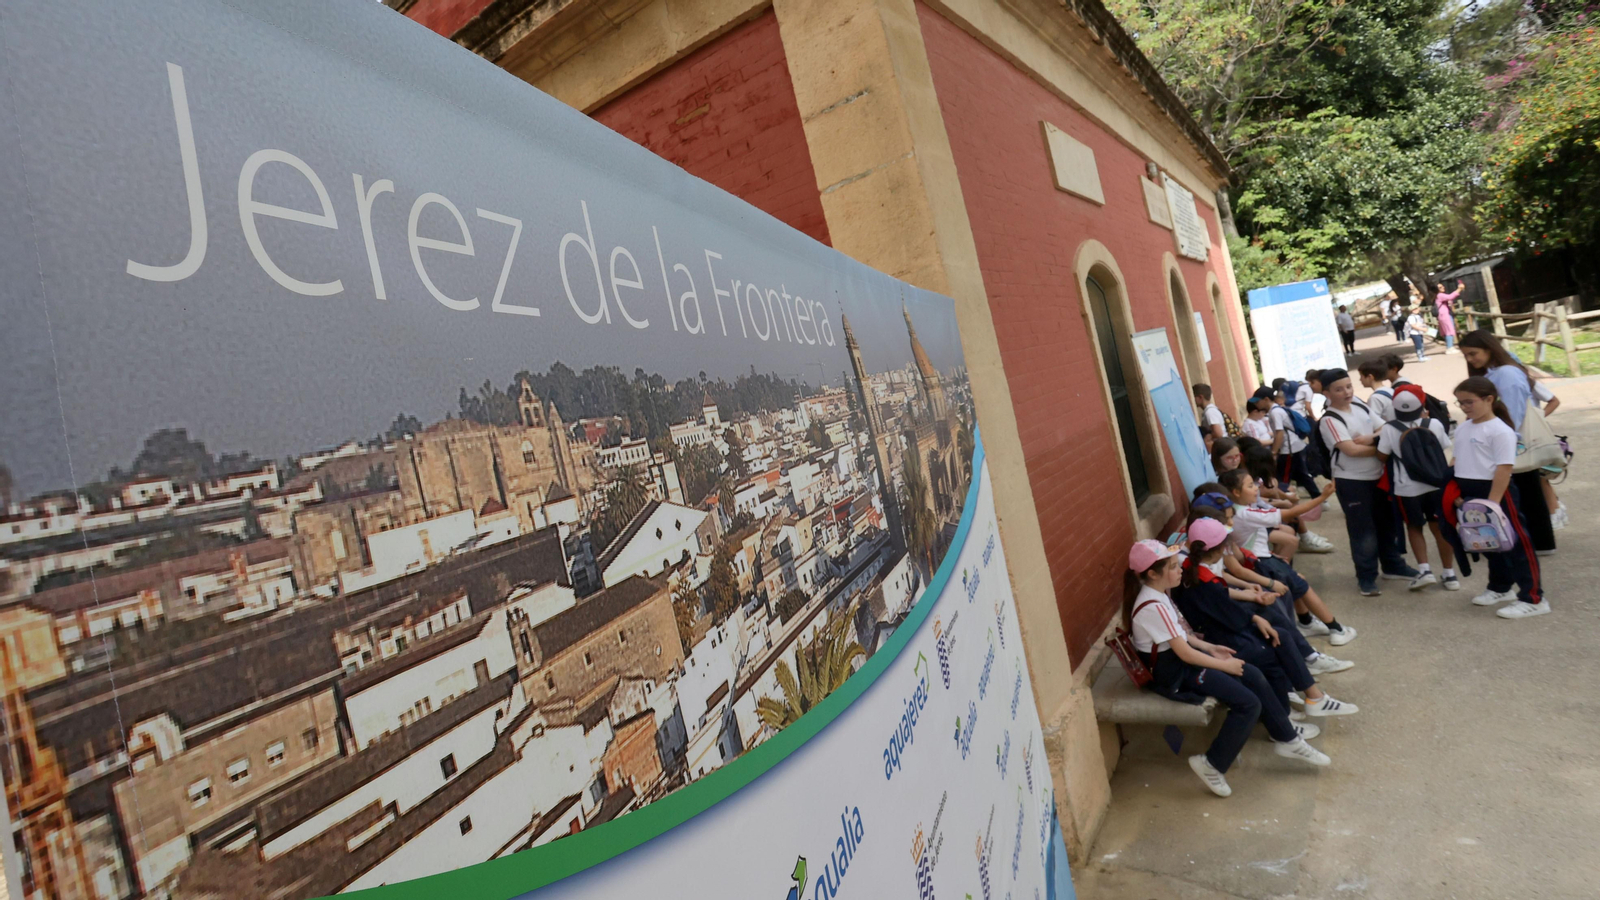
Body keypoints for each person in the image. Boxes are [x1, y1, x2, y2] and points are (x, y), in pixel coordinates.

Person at [1124, 537, 1330, 798]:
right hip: (1173, 675)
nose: (1180, 570)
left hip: (1181, 663)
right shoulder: (1153, 605)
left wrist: (1211, 648)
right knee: (1248, 703)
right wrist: (1226, 665)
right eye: (1174, 567)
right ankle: (1212, 763)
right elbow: (1185, 654)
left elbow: (1181, 636)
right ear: (1153, 574)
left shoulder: (1159, 594)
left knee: (1251, 672)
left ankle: (1287, 739)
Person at [1172, 519, 1357, 720]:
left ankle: (1314, 698)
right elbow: (1227, 613)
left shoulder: (1195, 569)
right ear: (1219, 550)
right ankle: (1283, 720)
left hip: (1219, 628)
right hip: (1219, 640)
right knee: (1273, 650)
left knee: (1281, 634)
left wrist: (1254, 611)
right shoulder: (1203, 581)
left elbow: (1224, 603)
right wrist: (1255, 619)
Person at [1447, 377, 1549, 618]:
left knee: (1516, 542)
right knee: (1488, 541)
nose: (1464, 407)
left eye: (1469, 402)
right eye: (1460, 403)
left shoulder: (1500, 431)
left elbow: (1504, 468)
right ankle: (1501, 587)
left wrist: (1492, 504)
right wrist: (1455, 492)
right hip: (1470, 492)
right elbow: (1456, 459)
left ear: (1489, 399)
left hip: (1496, 493)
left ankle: (1534, 598)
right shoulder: (1463, 427)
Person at [1216, 470, 1354, 647]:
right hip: (1262, 563)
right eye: (1250, 486)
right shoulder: (1245, 514)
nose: (1257, 488)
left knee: (1297, 582)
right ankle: (1336, 629)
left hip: (1259, 559)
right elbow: (1289, 513)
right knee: (1302, 586)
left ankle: (1306, 622)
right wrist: (1322, 497)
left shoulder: (1236, 511)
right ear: (1236, 492)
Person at [1317, 368, 1419, 595]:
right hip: (1351, 480)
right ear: (1326, 393)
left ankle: (1393, 565)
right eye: (1338, 389)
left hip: (1378, 475)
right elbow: (1350, 449)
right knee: (1362, 531)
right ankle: (1366, 577)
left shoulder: (1361, 406)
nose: (1346, 392)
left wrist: (1371, 439)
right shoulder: (1330, 419)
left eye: (1348, 386)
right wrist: (1382, 448)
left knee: (1387, 523)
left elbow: (1384, 427)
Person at [1459, 330, 1557, 555]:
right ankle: (1539, 542)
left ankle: (1536, 542)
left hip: (1512, 440)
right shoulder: (1498, 372)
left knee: (1525, 493)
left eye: (1473, 353)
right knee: (1528, 490)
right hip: (1510, 439)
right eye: (1467, 356)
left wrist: (1501, 439)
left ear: (1488, 348)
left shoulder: (1506, 374)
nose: (1470, 360)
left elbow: (1512, 412)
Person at [1375, 385, 1459, 591]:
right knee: (1440, 527)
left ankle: (1425, 570)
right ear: (1422, 404)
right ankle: (1449, 574)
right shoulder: (1435, 423)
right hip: (1436, 484)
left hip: (1407, 488)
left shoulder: (1389, 428)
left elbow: (1382, 456)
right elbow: (1444, 446)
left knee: (1414, 527)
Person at [1267, 385, 1319, 501]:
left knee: (1284, 478)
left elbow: (1279, 433)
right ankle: (1319, 498)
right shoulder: (1280, 410)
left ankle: (1286, 501)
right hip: (1296, 445)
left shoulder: (1275, 412)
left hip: (1288, 449)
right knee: (1302, 474)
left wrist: (1274, 452)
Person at [1194, 383, 1227, 448]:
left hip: (1221, 446)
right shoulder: (1211, 410)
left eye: (1194, 397)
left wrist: (1207, 437)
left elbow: (1218, 433)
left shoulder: (1210, 412)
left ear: (1200, 397)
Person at [1434, 282, 1461, 353]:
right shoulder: (1440, 295)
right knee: (1449, 330)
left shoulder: (1439, 296)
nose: (1443, 287)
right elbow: (1450, 296)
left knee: (1447, 330)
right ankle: (1449, 348)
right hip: (1445, 315)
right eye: (1440, 287)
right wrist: (1459, 289)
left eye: (1442, 286)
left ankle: (1450, 346)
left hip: (1444, 314)